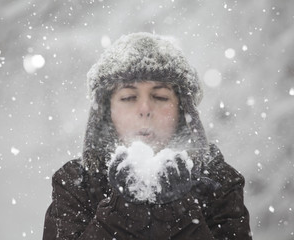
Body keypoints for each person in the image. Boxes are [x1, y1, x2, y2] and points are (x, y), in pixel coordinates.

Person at [43, 32, 252, 239]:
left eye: (160, 96)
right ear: (106, 112)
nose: (144, 108)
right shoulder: (75, 184)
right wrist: (123, 211)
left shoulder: (219, 182)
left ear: (182, 110)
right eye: (128, 97)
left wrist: (178, 210)